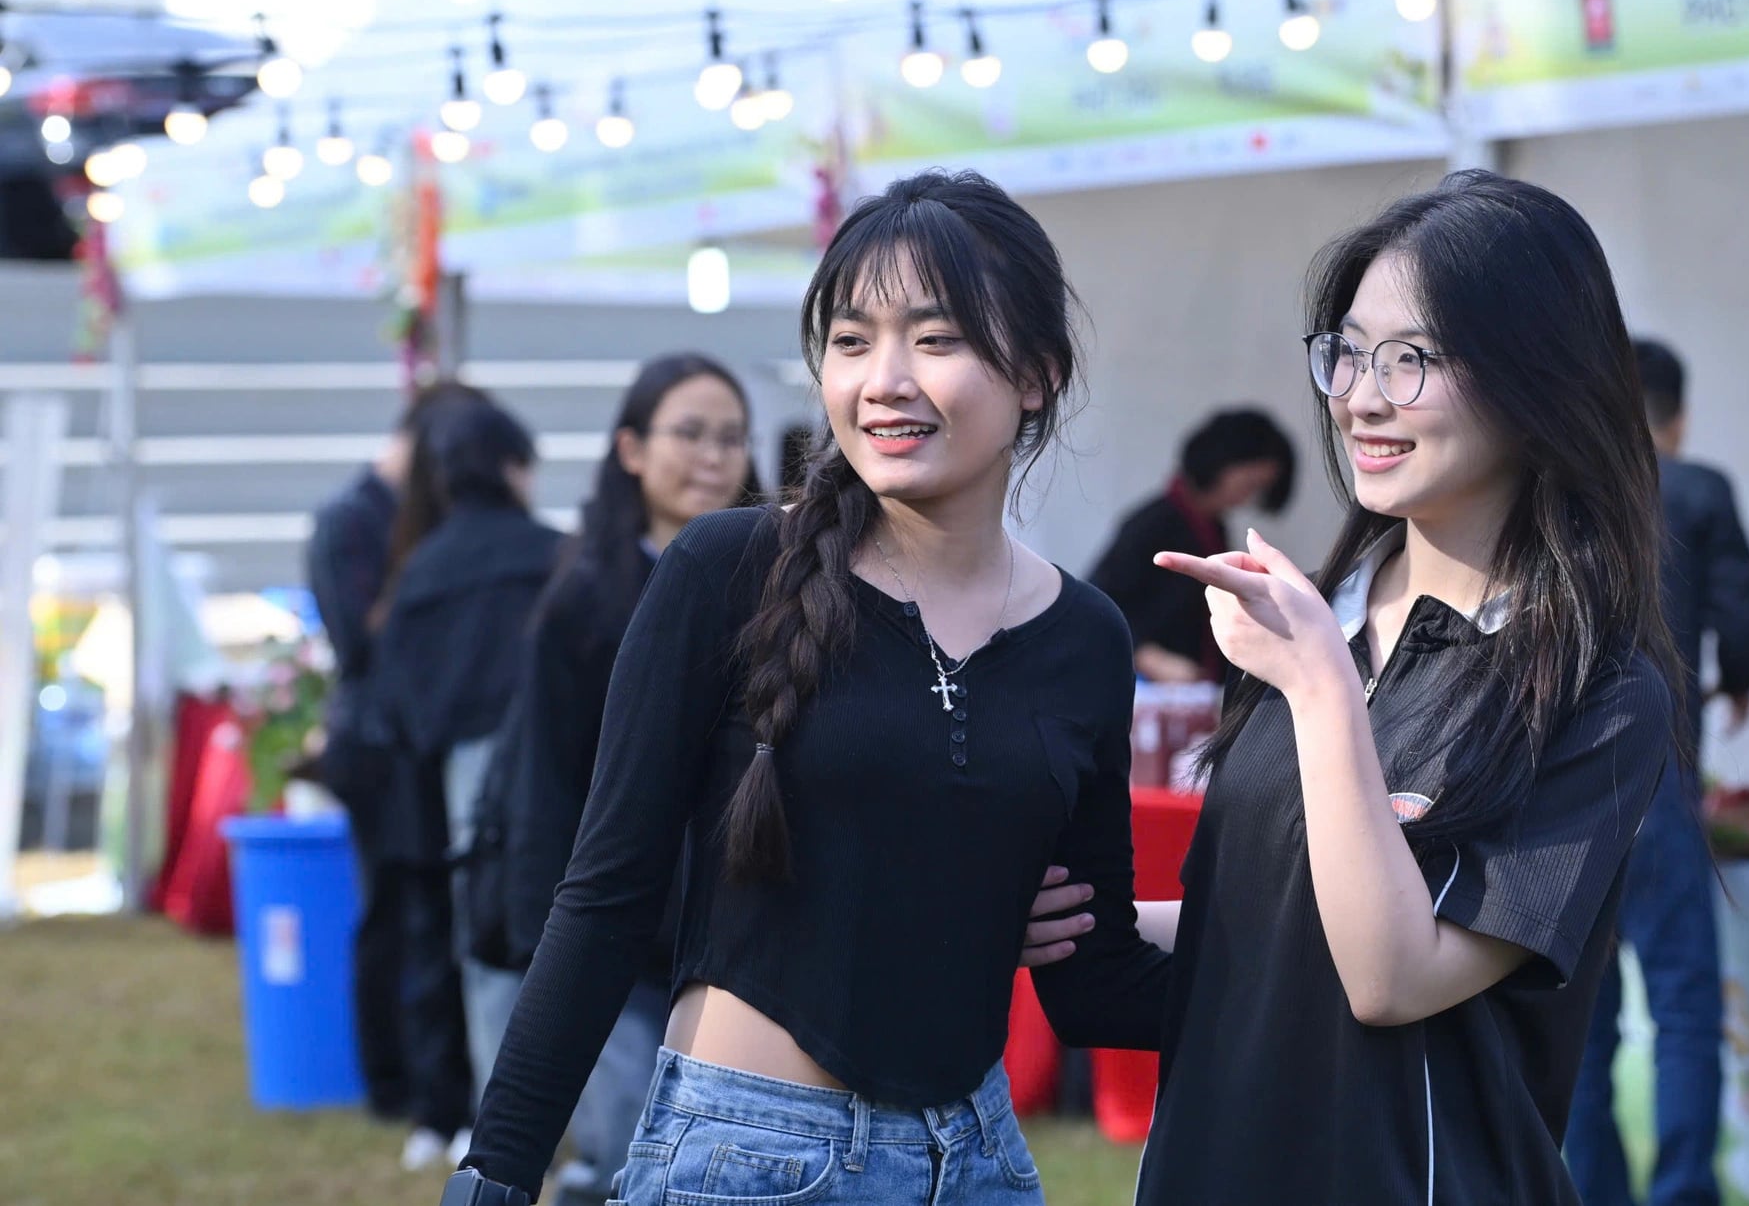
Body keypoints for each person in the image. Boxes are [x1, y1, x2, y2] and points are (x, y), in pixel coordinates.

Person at [446, 169, 1168, 1206]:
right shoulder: (722, 571)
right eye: (850, 339)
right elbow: (606, 893)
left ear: (1037, 372)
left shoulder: (1085, 636)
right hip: (748, 1158)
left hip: (975, 1162)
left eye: (935, 338)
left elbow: (1093, 978)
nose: (884, 379)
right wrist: (497, 1169)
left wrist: (1350, 947)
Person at [1037, 170, 1677, 1205]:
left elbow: (1390, 974)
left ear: (1537, 375)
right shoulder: (1317, 619)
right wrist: (1063, 913)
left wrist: (1321, 690)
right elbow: (1261, 921)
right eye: (1347, 351)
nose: (1359, 395)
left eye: (1412, 358)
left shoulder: (1595, 690)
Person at [481, 354, 760, 1206]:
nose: (713, 457)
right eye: (689, 433)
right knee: (633, 1145)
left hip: (735, 940)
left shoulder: (780, 589)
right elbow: (545, 782)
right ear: (631, 449)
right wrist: (544, 944)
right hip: (618, 935)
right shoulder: (584, 598)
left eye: (731, 438)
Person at [1564, 338, 1749, 1206]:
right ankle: (1683, 1190)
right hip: (1666, 781)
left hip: (1573, 797)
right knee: (1686, 1010)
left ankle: (1590, 1188)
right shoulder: (1699, 490)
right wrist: (1741, 683)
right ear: (1677, 414)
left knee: (1583, 1022)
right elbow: (1744, 620)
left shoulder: (1569, 493)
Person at [371, 396, 563, 1161]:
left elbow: (397, 693)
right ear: (515, 468)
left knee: (482, 943)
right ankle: (592, 1125)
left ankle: (505, 1126)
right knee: (579, 936)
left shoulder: (420, 569)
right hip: (561, 770)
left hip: (459, 782)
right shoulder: (557, 552)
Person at [307, 380, 482, 1148]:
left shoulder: (420, 519)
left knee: (431, 915)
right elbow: (362, 646)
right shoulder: (351, 521)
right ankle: (393, 1084)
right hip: (378, 748)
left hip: (418, 738)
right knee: (393, 916)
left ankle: (435, 1084)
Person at [1088, 408, 1295, 682]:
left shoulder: (1213, 529)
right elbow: (1098, 602)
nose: (1247, 498)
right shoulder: (1154, 524)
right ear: (1221, 464)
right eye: (1249, 484)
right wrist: (1150, 657)